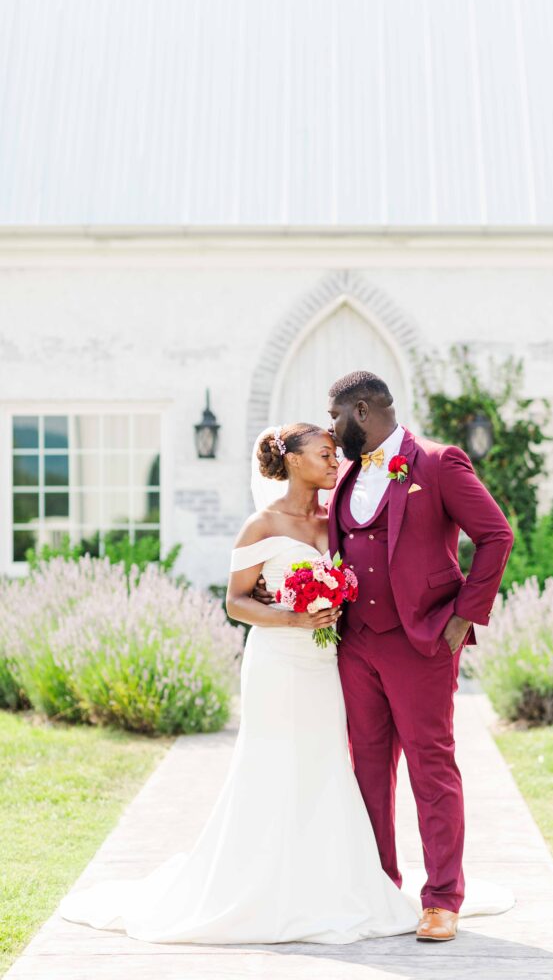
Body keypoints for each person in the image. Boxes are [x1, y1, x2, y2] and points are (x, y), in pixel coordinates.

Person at [58, 422, 420, 944]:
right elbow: (236, 602)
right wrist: (295, 619)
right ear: (293, 461)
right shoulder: (260, 525)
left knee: (323, 763)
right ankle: (258, 883)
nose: (334, 461)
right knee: (271, 764)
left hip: (323, 665)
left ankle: (327, 882)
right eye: (324, 454)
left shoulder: (334, 520)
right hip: (277, 660)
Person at [254, 371, 515, 941]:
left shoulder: (439, 462)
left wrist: (465, 614)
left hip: (422, 642)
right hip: (356, 644)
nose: (331, 428)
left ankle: (443, 898)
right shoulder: (344, 473)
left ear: (364, 411)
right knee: (367, 769)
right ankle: (379, 887)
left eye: (336, 417)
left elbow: (496, 535)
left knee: (431, 766)